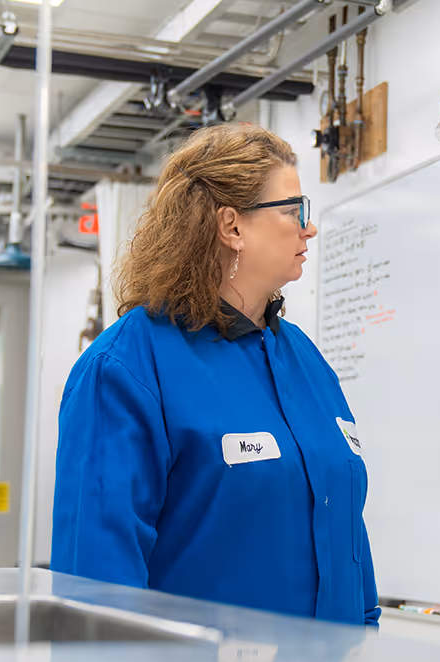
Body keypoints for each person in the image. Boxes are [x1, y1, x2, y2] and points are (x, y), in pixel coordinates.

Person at [51, 123, 379, 626]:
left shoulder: (306, 362)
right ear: (232, 227)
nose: (307, 228)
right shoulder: (126, 369)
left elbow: (346, 536)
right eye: (293, 211)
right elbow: (97, 594)